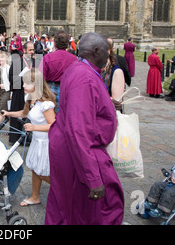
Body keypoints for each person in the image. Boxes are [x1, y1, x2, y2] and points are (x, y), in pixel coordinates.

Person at [45, 32, 124, 225]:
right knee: (103, 206)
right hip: (79, 152)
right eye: (107, 51)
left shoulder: (77, 68)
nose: (109, 55)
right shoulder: (84, 78)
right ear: (96, 51)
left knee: (68, 206)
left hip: (71, 146)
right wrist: (92, 178)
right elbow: (78, 130)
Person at [1, 68, 55, 207]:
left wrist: (34, 127)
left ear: (36, 85)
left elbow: (54, 126)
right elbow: (24, 114)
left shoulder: (46, 104)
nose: (23, 86)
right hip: (37, 141)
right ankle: (35, 197)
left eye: (26, 83)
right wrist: (8, 113)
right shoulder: (31, 99)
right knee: (35, 169)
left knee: (42, 172)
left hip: (46, 142)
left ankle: (65, 189)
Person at [38, 31, 77, 111]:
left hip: (50, 91)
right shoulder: (74, 59)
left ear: (54, 43)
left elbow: (40, 78)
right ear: (67, 44)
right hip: (67, 90)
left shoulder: (47, 57)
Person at [8, 41, 35, 144]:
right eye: (30, 50)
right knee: (18, 115)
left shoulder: (36, 62)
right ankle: (15, 138)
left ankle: (28, 139)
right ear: (24, 50)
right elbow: (10, 78)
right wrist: (24, 79)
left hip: (32, 93)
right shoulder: (17, 62)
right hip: (19, 92)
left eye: (33, 50)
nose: (32, 52)